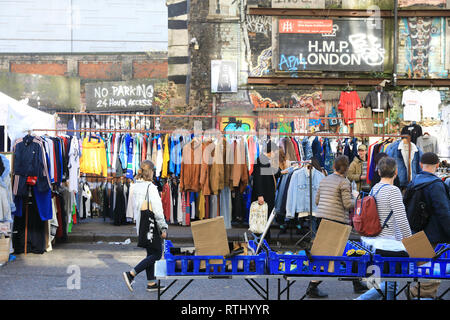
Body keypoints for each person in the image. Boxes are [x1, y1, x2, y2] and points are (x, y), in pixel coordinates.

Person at [307, 155, 367, 298]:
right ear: (346, 168)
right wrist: (358, 198)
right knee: (344, 253)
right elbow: (347, 204)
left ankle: (355, 281)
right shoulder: (344, 182)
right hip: (337, 222)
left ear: (334, 166)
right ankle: (313, 287)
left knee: (326, 254)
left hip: (322, 220)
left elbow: (317, 201)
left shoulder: (324, 179)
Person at [355, 157, 412, 300]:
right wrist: (412, 242)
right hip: (390, 243)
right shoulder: (393, 191)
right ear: (396, 172)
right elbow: (402, 219)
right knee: (392, 283)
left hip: (375, 241)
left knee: (389, 283)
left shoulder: (375, 188)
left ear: (379, 172)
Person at [405, 152, 450, 300]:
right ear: (438, 165)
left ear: (420, 165)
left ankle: (419, 293)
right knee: (432, 272)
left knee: (424, 269)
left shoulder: (413, 182)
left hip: (413, 231)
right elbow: (444, 213)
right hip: (431, 234)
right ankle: (416, 293)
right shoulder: (436, 185)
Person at [122, 160, 168, 292]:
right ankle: (131, 274)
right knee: (157, 254)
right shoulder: (151, 188)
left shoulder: (135, 186)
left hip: (142, 225)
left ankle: (151, 283)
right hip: (152, 226)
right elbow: (158, 210)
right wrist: (163, 227)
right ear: (151, 172)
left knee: (150, 253)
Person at [251, 140, 281, 240]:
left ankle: (265, 243)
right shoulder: (260, 160)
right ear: (270, 151)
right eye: (275, 152)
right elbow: (258, 178)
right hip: (263, 196)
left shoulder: (266, 160)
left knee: (266, 220)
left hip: (267, 195)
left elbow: (274, 173)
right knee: (262, 220)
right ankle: (263, 243)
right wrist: (260, 195)